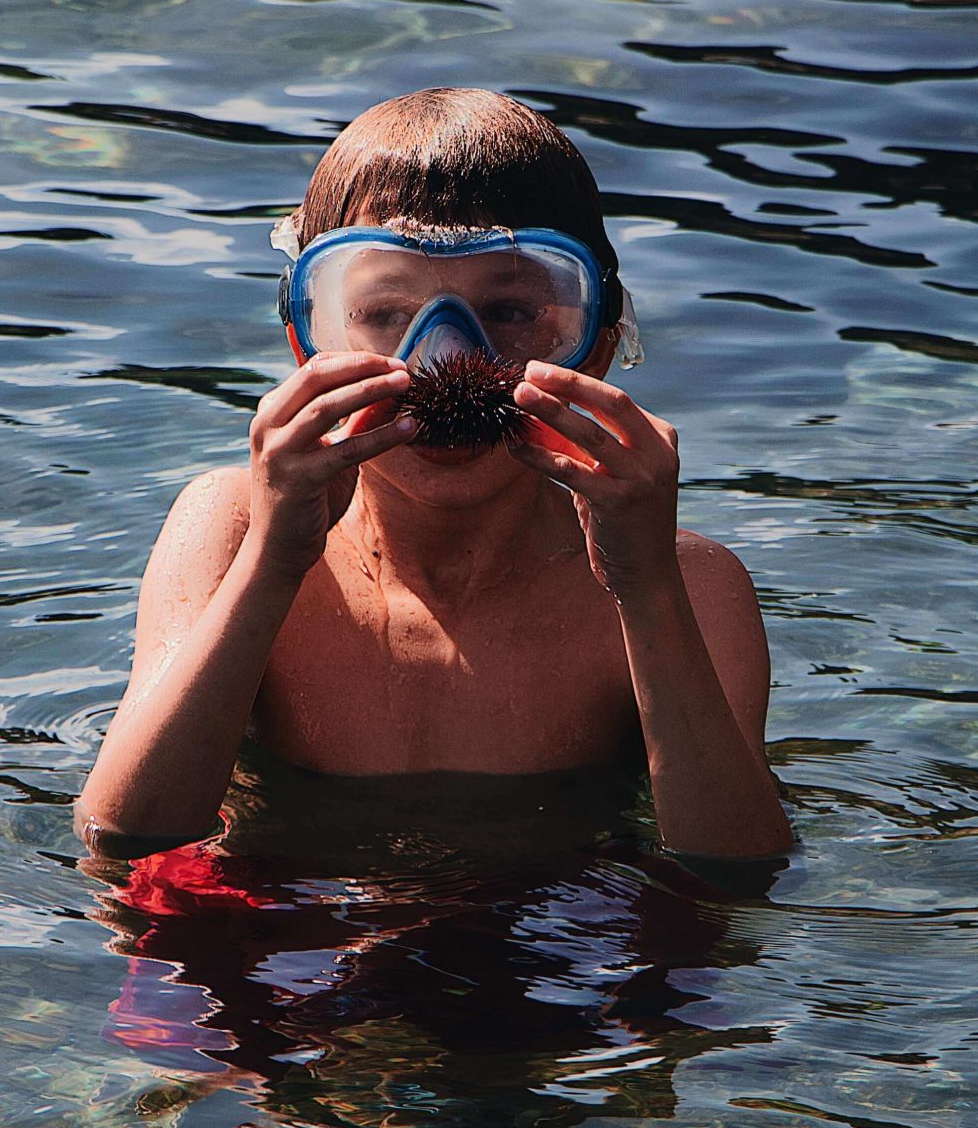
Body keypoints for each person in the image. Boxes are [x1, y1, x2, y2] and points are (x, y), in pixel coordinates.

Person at [73, 87, 793, 863]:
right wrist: (275, 562)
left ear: (595, 347)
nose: (446, 359)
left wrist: (644, 588)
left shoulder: (687, 582)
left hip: (554, 935)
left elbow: (737, 869)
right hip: (293, 920)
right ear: (307, 344)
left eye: (511, 312)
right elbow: (123, 831)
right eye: (387, 313)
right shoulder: (233, 526)